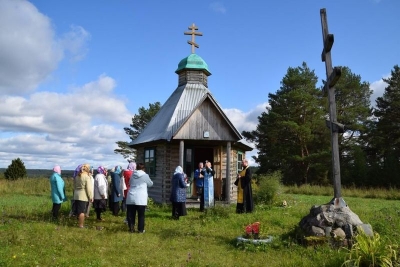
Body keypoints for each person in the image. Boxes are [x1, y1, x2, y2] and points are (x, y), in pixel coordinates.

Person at [126, 163, 153, 233]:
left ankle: (131, 229)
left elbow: (130, 182)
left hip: (131, 196)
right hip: (140, 198)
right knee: (141, 215)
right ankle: (140, 230)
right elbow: (150, 184)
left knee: (131, 215)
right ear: (144, 169)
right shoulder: (145, 175)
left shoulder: (132, 175)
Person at [73, 163, 94, 228]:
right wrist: (91, 196)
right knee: (82, 211)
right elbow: (89, 188)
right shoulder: (87, 177)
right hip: (83, 195)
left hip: (76, 194)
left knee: (78, 210)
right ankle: (81, 225)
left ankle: (79, 223)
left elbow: (74, 186)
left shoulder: (77, 176)